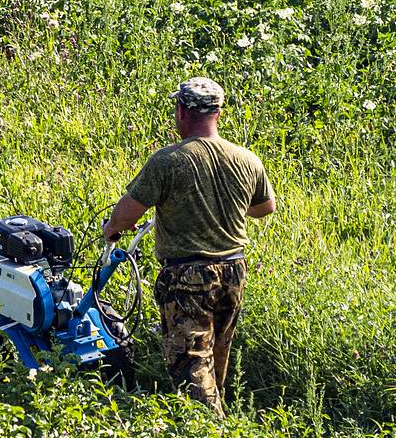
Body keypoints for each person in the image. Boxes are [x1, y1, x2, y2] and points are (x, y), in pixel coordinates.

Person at [101, 77, 275, 417]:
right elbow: (264, 208)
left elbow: (126, 214)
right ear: (218, 113)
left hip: (187, 278)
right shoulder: (246, 159)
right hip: (233, 273)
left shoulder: (168, 161)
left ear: (181, 111)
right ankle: (219, 427)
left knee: (191, 369)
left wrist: (112, 229)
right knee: (214, 361)